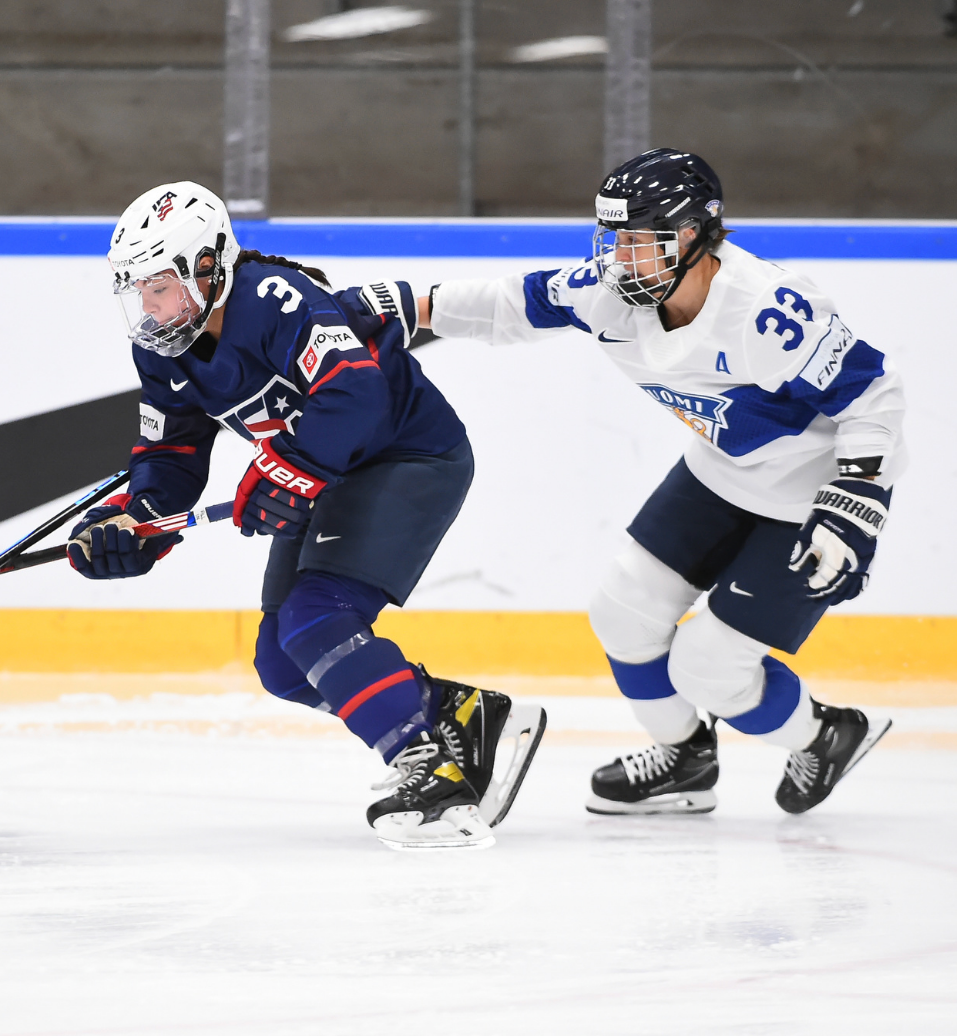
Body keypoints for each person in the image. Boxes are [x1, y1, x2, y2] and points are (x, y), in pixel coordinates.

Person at [419, 149, 901, 816]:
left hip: (809, 499)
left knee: (709, 666)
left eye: (647, 241)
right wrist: (405, 308)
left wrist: (857, 501)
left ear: (701, 235)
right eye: (617, 238)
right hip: (720, 474)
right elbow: (511, 303)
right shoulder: (610, 293)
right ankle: (685, 758)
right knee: (623, 614)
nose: (625, 258)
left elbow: (874, 394)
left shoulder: (768, 310)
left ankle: (828, 735)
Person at [67, 181, 545, 850]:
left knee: (317, 620)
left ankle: (428, 765)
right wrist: (135, 523)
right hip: (324, 473)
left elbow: (354, 391)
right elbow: (171, 455)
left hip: (407, 457)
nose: (149, 306)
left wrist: (289, 467)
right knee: (285, 664)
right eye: (138, 290)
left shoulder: (270, 298)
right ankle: (459, 716)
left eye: (160, 285)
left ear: (209, 267)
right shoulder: (160, 350)